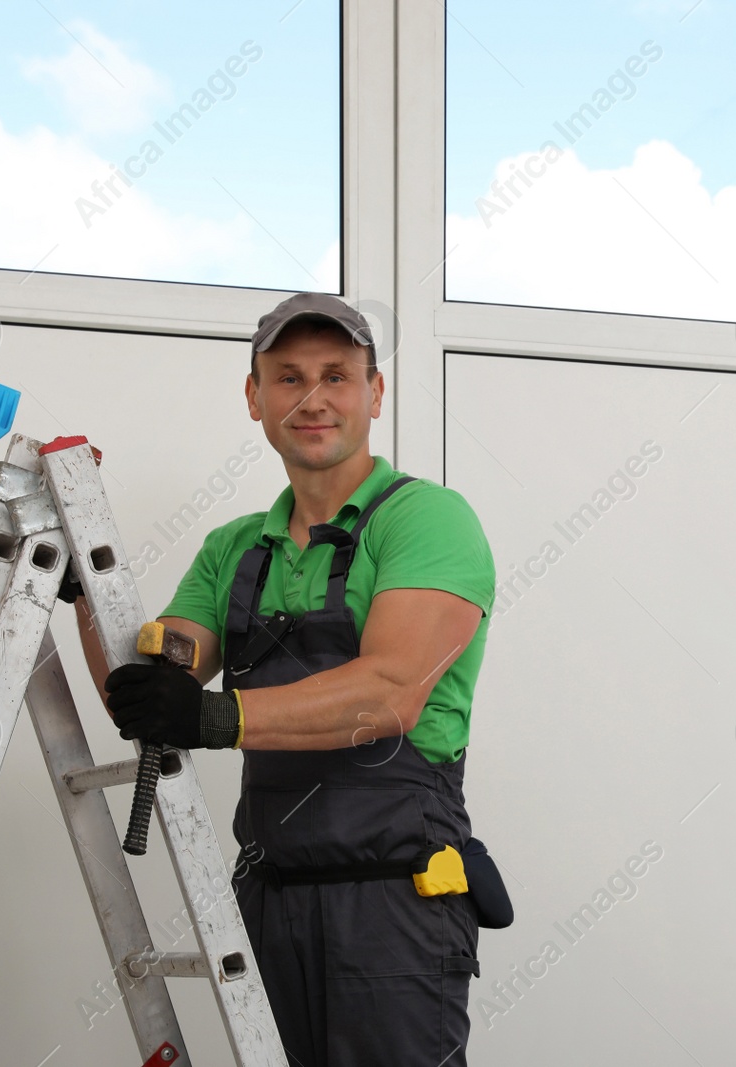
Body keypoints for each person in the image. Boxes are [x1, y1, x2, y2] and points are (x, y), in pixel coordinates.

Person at [69, 292, 496, 1064]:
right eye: (288, 376)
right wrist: (82, 582)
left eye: (337, 375)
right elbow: (150, 685)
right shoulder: (236, 547)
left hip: (395, 901)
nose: (313, 397)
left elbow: (389, 692)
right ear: (255, 397)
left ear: (374, 393)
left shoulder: (426, 520)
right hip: (267, 900)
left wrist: (208, 718)